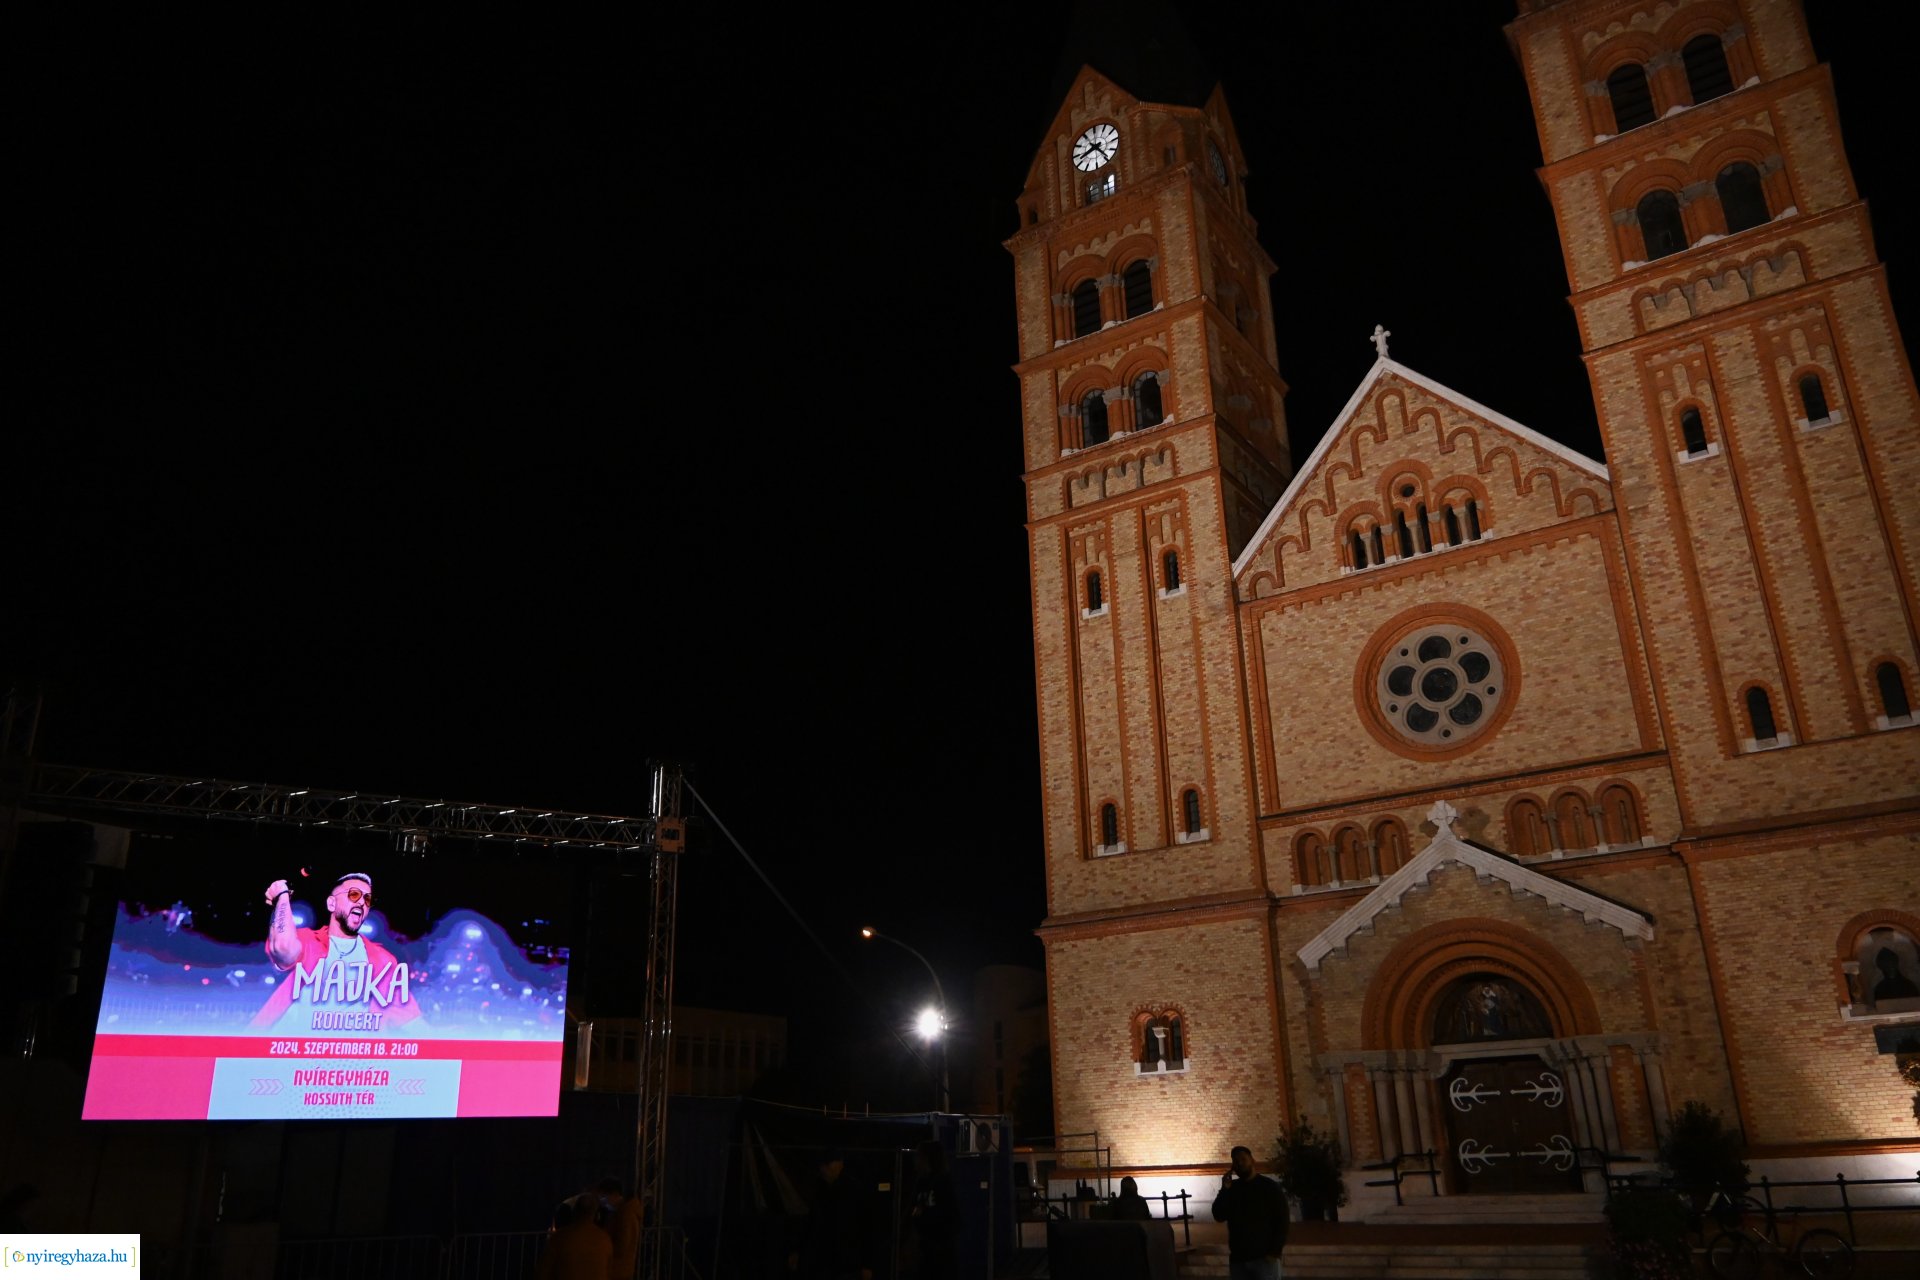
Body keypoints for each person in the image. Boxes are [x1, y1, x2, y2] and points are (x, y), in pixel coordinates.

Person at [252, 872, 421, 1031]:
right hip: (290, 1054)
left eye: (367, 899)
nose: (362, 902)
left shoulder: (383, 961)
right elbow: (283, 948)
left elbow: (413, 1023)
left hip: (350, 1058)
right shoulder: (308, 941)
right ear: (331, 903)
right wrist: (282, 897)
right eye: (353, 894)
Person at [790, 1150, 871, 1280]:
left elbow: (866, 1228)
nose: (824, 1168)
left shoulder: (853, 1191)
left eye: (828, 1164)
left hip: (845, 1263)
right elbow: (812, 1223)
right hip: (827, 1262)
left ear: (840, 1164)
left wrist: (867, 1264)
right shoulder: (822, 1190)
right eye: (823, 1164)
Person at [1211, 1145, 1287, 1280]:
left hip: (1264, 1258)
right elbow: (1219, 1215)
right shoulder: (1232, 1189)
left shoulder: (1269, 1187)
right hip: (1238, 1259)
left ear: (1252, 1160)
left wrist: (1275, 1251)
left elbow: (1282, 1220)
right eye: (1235, 1161)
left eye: (1242, 1159)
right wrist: (1224, 1190)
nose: (1239, 1163)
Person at [908, 1140, 956, 1280]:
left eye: (919, 1156)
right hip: (925, 1252)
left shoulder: (942, 1183)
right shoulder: (920, 1182)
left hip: (938, 1253)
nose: (916, 1161)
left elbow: (951, 1218)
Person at [538, 1197, 614, 1280]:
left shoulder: (559, 1237)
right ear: (596, 1215)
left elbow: (543, 1271)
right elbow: (609, 1270)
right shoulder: (604, 1239)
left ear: (574, 1212)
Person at [598, 1177, 643, 1280]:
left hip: (617, 1271)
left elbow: (622, 1246)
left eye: (604, 1197)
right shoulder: (622, 1213)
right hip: (620, 1269)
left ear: (614, 1194)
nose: (603, 1202)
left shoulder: (625, 1215)